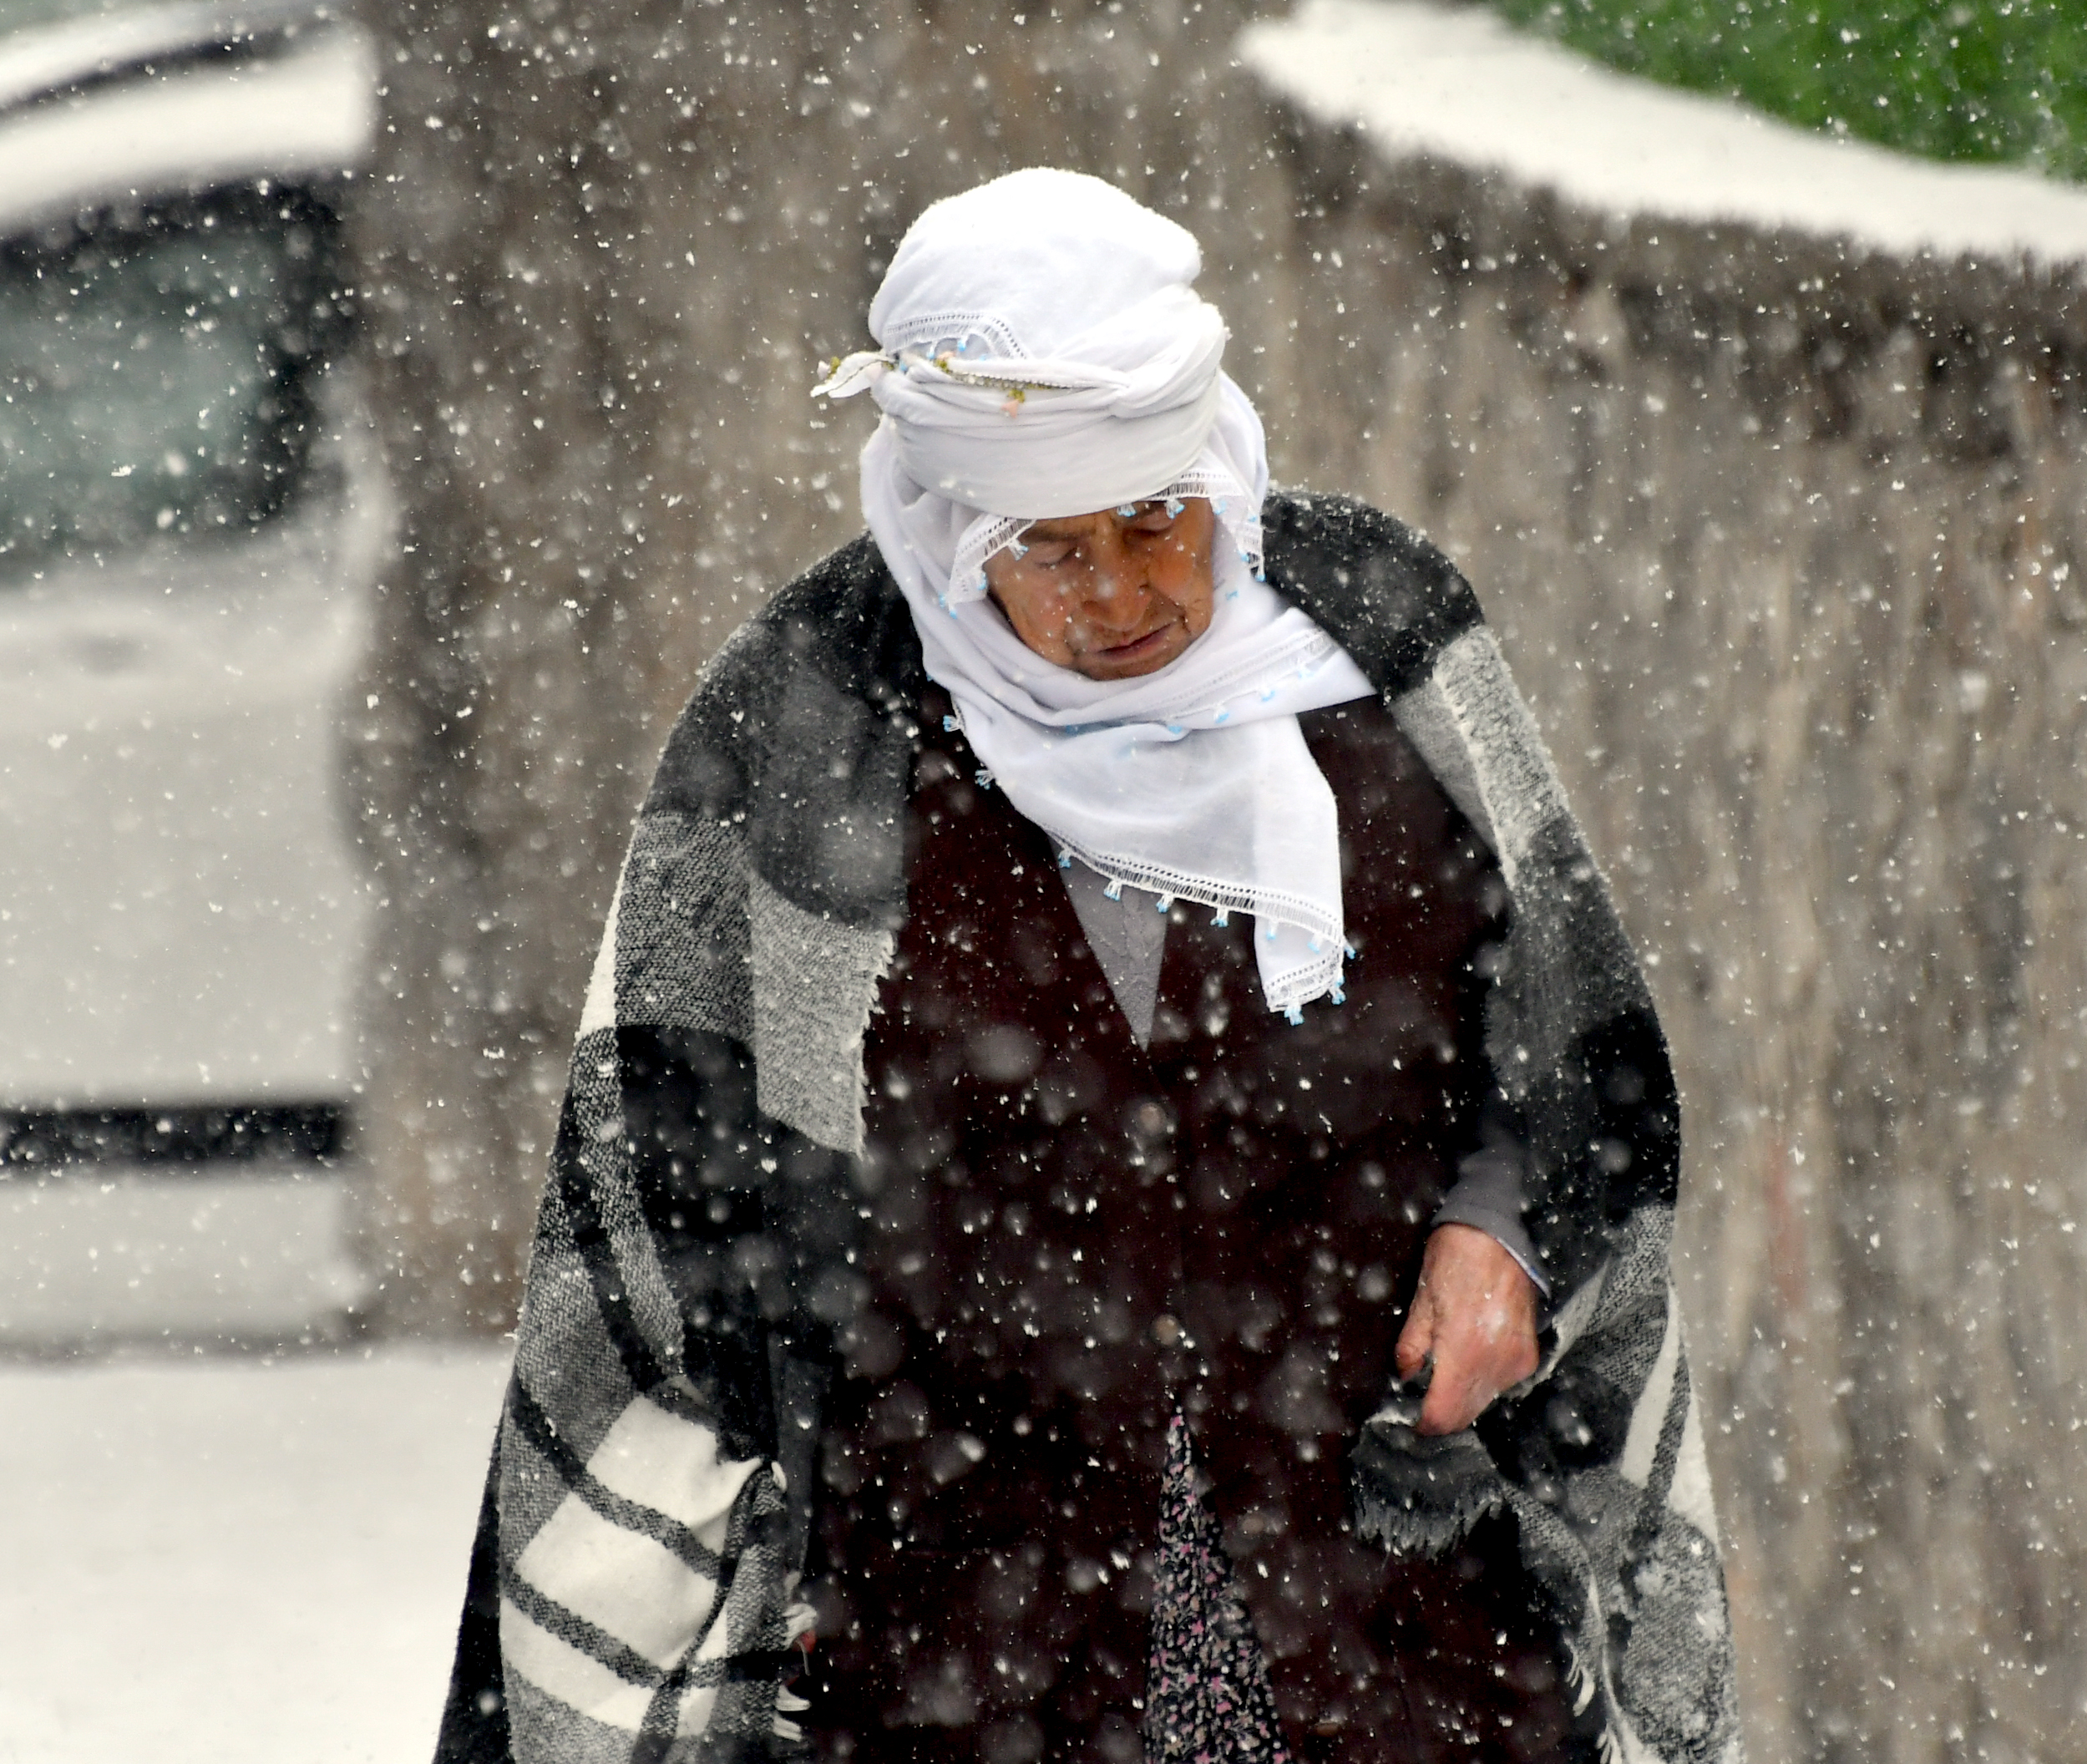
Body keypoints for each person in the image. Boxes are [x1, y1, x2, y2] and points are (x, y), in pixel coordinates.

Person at [434, 169, 1740, 1764]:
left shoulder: (1382, 654)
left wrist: (1507, 1236)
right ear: (943, 526)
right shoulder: (808, 723)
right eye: (1046, 548)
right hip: (955, 1639)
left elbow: (1574, 1051)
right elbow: (663, 1205)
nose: (1122, 593)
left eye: (1154, 516)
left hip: (1391, 1617)